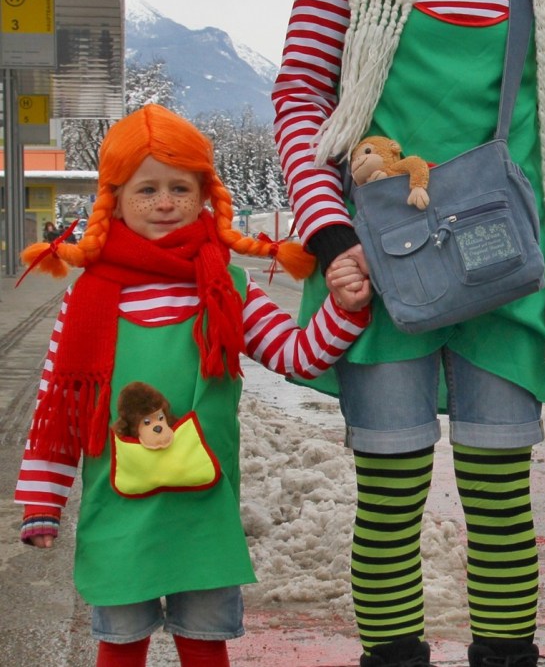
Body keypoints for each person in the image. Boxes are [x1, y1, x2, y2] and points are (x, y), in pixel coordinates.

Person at [265, 0, 545, 665]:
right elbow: (302, 97)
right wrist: (330, 233)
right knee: (391, 502)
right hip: (376, 263)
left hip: (508, 267)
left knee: (501, 501)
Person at [13, 104, 372, 667]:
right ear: (114, 198)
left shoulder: (227, 285)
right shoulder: (87, 299)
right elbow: (57, 408)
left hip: (204, 509)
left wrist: (345, 309)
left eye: (180, 187)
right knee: (120, 644)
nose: (163, 202)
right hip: (119, 510)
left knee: (204, 643)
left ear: (204, 194)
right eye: (146, 188)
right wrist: (42, 502)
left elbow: (297, 355)